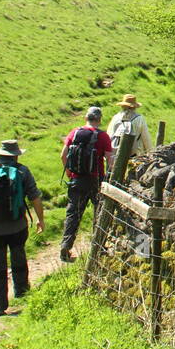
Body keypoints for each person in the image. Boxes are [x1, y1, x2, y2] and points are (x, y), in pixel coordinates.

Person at [0, 139, 45, 317]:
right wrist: (40, 219)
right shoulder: (23, 171)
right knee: (18, 255)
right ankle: (21, 293)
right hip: (17, 225)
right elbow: (35, 196)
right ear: (17, 156)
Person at [59, 107, 114, 263]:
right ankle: (98, 248)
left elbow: (63, 154)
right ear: (99, 119)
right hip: (96, 181)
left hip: (76, 180)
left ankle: (65, 246)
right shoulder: (103, 137)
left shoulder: (74, 133)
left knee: (73, 214)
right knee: (100, 213)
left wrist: (69, 171)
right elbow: (110, 160)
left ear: (86, 118)